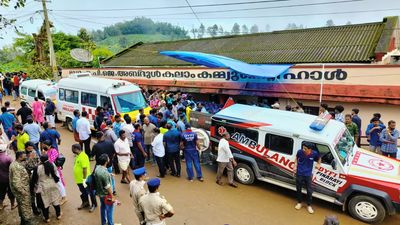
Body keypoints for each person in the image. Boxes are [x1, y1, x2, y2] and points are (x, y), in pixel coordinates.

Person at [32, 155, 62, 223]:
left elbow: (34, 179)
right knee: (55, 200)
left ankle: (47, 218)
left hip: (43, 186)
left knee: (45, 203)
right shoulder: (52, 164)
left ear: (40, 160)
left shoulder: (38, 168)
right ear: (48, 159)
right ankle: (58, 215)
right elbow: (55, 173)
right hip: (53, 184)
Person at [293, 142, 321, 214]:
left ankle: (309, 205)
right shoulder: (300, 152)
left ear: (310, 149)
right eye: (303, 148)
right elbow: (296, 158)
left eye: (305, 148)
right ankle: (299, 203)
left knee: (309, 191)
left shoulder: (314, 153)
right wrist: (295, 165)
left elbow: (319, 158)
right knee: (298, 189)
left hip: (308, 175)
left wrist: (318, 164)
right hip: (299, 173)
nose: (303, 149)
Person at [9, 151, 34, 225]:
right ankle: (27, 221)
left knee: (22, 207)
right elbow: (16, 183)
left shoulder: (16, 164)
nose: (25, 156)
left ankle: (23, 222)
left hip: (21, 191)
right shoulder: (16, 167)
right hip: (22, 192)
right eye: (24, 156)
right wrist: (23, 192)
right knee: (25, 208)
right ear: (20, 157)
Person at [72, 144, 96, 212]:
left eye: (73, 149)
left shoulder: (83, 156)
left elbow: (84, 169)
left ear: (76, 149)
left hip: (85, 179)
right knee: (83, 192)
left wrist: (84, 179)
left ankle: (94, 205)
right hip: (79, 180)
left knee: (90, 192)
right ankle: (86, 203)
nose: (72, 151)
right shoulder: (77, 156)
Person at [42, 140, 67, 205]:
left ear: (50, 146)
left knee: (59, 183)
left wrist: (44, 156)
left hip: (55, 170)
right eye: (43, 145)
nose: (44, 146)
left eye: (45, 145)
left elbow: (51, 161)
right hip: (51, 170)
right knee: (56, 184)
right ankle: (61, 196)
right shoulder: (47, 151)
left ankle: (64, 197)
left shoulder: (54, 151)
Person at [94, 154, 116, 225]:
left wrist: (109, 174)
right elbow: (107, 186)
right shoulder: (104, 173)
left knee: (103, 207)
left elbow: (100, 176)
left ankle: (103, 222)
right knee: (110, 210)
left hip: (100, 193)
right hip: (107, 195)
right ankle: (110, 223)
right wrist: (112, 195)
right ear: (106, 161)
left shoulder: (97, 168)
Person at [24, 141, 40, 215]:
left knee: (39, 191)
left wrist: (37, 166)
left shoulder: (34, 152)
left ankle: (40, 205)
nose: (31, 150)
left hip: (36, 174)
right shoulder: (23, 155)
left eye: (32, 148)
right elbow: (24, 166)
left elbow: (38, 160)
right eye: (29, 149)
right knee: (32, 193)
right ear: (26, 148)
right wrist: (30, 158)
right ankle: (34, 209)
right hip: (28, 177)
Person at [0, 143, 16, 210]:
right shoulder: (7, 158)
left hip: (0, 179)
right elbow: (13, 168)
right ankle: (12, 205)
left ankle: (0, 205)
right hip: (8, 178)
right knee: (11, 192)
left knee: (1, 192)